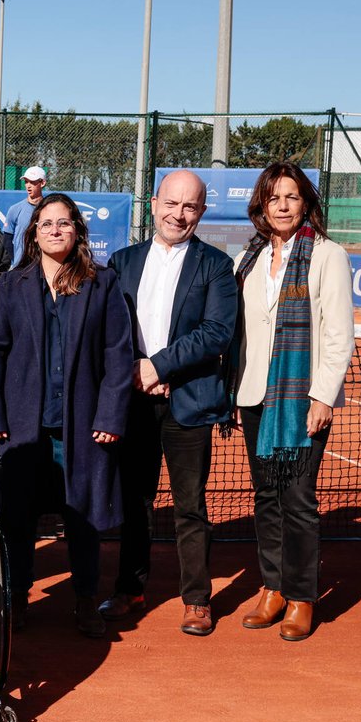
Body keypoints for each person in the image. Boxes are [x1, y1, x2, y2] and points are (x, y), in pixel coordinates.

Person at [0, 193, 134, 638]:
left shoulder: (102, 283)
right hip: (22, 425)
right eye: (46, 223)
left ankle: (85, 599)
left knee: (82, 516)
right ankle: (17, 597)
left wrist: (109, 416)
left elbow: (118, 353)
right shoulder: (12, 285)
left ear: (77, 230)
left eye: (63, 223)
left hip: (82, 424)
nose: (55, 230)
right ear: (33, 233)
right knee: (17, 516)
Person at [98, 170, 237, 636]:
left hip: (188, 402)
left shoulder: (216, 265)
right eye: (171, 203)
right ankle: (129, 589)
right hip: (134, 402)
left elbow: (216, 332)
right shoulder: (122, 261)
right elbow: (110, 330)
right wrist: (135, 372)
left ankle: (197, 599)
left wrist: (157, 368)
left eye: (190, 206)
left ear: (201, 212)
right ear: (154, 204)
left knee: (190, 506)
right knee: (134, 502)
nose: (178, 214)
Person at [230, 162, 353, 642]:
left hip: (303, 398)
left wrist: (322, 396)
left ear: (306, 203)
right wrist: (234, 390)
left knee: (297, 498)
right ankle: (273, 588)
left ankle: (302, 597)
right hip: (254, 395)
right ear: (261, 205)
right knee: (266, 496)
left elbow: (338, 333)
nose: (282, 206)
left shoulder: (327, 255)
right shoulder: (250, 257)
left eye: (292, 196)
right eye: (273, 197)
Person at [4, 165, 47, 269]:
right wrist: (17, 260)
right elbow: (7, 240)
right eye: (26, 182)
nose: (28, 186)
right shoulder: (15, 209)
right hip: (20, 268)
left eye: (32, 182)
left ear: (42, 183)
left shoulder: (49, 209)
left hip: (44, 268)